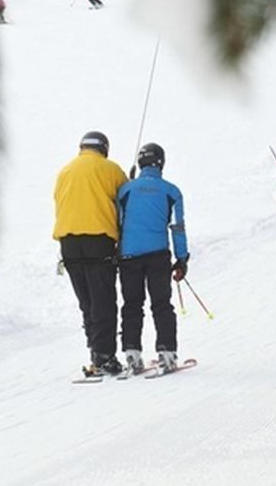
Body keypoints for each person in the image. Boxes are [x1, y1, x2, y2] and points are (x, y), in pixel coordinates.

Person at [53, 130, 129, 375]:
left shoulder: (64, 172)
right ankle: (105, 356)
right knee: (103, 301)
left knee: (87, 302)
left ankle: (96, 352)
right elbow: (126, 205)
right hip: (98, 241)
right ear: (104, 148)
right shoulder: (111, 170)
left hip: (68, 244)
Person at [116, 143, 189, 375]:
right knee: (161, 305)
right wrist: (182, 258)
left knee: (131, 305)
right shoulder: (172, 191)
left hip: (128, 256)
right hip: (158, 255)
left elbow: (118, 221)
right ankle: (167, 354)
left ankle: (132, 354)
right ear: (161, 163)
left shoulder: (125, 190)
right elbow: (177, 227)